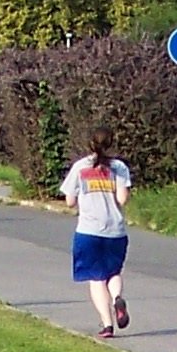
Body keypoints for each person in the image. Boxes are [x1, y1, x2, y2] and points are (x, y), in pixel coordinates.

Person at [61, 127, 135, 337]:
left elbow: (69, 201)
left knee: (96, 278)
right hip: (115, 231)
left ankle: (107, 324)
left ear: (90, 144)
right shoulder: (119, 167)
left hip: (88, 231)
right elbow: (122, 199)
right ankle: (117, 298)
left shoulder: (80, 167)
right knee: (113, 272)